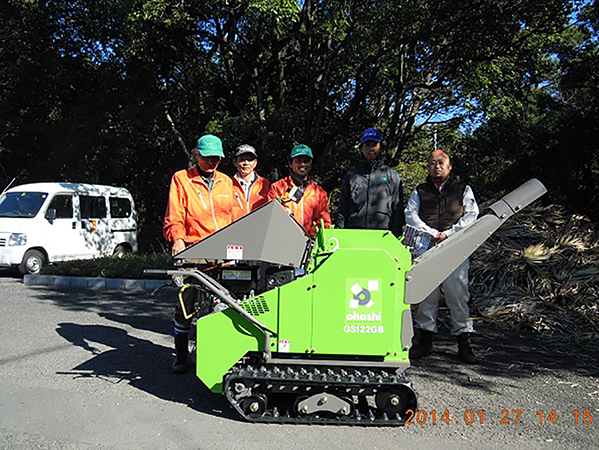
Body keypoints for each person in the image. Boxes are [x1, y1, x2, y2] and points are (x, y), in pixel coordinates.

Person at [163, 134, 234, 373]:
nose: (212, 162)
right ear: (196, 155)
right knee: (186, 304)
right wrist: (178, 240)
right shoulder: (182, 179)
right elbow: (175, 214)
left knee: (222, 305)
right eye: (207, 157)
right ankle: (181, 355)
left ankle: (215, 356)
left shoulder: (226, 182)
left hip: (222, 253)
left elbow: (234, 218)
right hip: (194, 250)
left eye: (216, 158)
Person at [405, 149, 480, 364]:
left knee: (457, 295)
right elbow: (411, 215)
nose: (436, 166)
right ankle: (425, 342)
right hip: (426, 248)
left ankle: (464, 343)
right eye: (431, 163)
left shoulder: (462, 189)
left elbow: (472, 215)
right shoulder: (419, 191)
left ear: (449, 166)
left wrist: (448, 234)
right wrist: (432, 233)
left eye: (441, 162)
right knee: (426, 296)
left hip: (454, 249)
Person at [336, 128, 404, 236]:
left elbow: (397, 208)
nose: (371, 148)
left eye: (374, 144)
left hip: (383, 234)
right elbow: (342, 208)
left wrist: (396, 235)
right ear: (362, 148)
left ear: (380, 146)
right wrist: (339, 233)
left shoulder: (392, 175)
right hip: (354, 233)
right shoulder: (351, 175)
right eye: (367, 145)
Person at [268, 144, 331, 236]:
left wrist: (311, 238)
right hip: (283, 239)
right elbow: (270, 217)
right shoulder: (277, 188)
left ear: (311, 164)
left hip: (310, 243)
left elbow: (324, 223)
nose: (302, 164)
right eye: (298, 161)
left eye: (306, 161)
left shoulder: (319, 193)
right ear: (290, 163)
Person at [231, 144, 271, 220]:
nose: (246, 163)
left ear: (255, 163)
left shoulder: (265, 184)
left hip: (260, 227)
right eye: (242, 160)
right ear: (235, 162)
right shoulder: (227, 184)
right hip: (236, 229)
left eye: (250, 160)